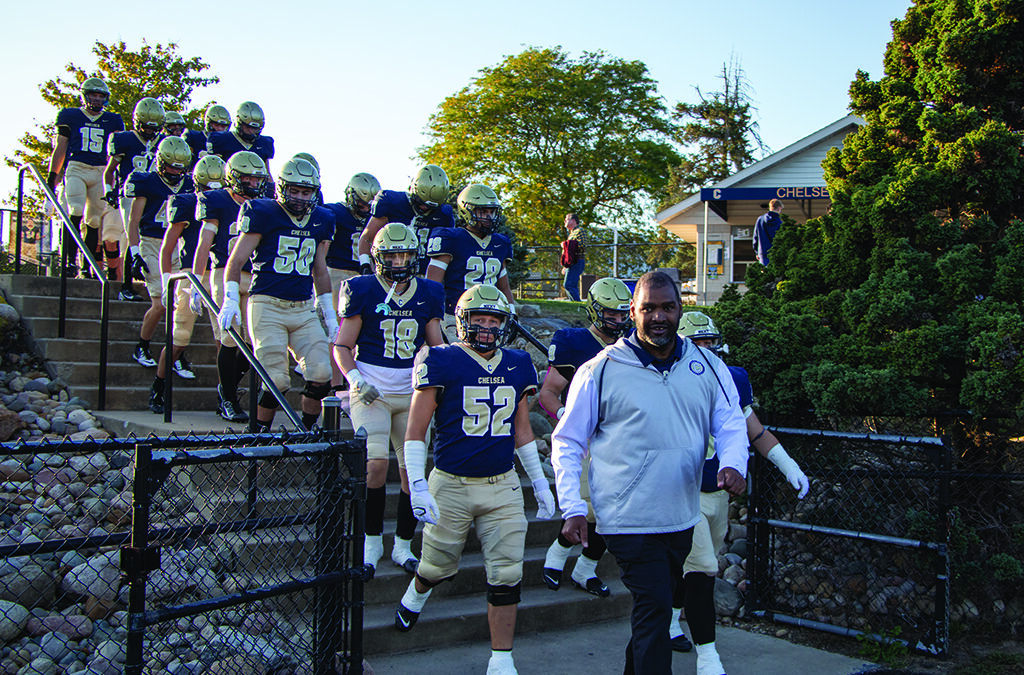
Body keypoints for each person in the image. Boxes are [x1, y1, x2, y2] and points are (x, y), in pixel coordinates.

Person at [551, 270, 748, 675]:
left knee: (651, 614)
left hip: (681, 514)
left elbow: (730, 422)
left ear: (680, 309)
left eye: (667, 307)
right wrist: (572, 505)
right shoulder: (601, 369)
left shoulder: (707, 364)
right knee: (656, 606)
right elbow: (567, 440)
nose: (658, 317)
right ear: (632, 312)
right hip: (626, 518)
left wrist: (733, 463)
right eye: (649, 308)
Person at [395, 284, 555, 675]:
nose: (486, 326)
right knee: (437, 566)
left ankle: (502, 659)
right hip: (451, 482)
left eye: (493, 319)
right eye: (479, 319)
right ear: (462, 321)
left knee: (507, 572)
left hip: (502, 485)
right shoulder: (441, 359)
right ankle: (417, 592)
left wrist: (538, 480)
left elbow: (522, 430)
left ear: (504, 324)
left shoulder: (517, 362)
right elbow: (416, 430)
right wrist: (417, 482)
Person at [668, 311, 810, 672]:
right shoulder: (667, 379)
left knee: (694, 569)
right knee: (702, 569)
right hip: (682, 493)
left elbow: (755, 431)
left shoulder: (731, 379)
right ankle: (708, 655)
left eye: (710, 342)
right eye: (698, 343)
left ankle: (671, 619)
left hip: (718, 494)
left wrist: (787, 464)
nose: (707, 350)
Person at [334, 223, 444, 575]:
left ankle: (402, 545)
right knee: (375, 465)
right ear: (378, 257)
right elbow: (341, 345)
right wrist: (353, 379)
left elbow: (437, 345)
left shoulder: (428, 292)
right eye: (392, 255)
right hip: (372, 391)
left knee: (414, 473)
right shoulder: (362, 288)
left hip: (411, 393)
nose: (399, 261)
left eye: (406, 255)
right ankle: (371, 541)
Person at [218, 157, 335, 432]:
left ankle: (306, 433)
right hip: (267, 304)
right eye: (294, 191)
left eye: (305, 192)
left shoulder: (322, 219)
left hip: (303, 308)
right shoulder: (263, 211)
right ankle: (259, 435)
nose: (299, 197)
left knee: (321, 373)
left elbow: (320, 270)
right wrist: (231, 298)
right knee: (276, 380)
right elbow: (235, 262)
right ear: (282, 188)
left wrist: (328, 313)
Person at [538, 277, 632, 598]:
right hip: (586, 439)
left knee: (614, 514)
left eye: (623, 315)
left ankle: (585, 569)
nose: (618, 321)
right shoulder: (575, 342)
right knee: (587, 510)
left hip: (620, 440)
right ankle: (558, 553)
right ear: (594, 310)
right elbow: (548, 393)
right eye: (612, 314)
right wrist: (570, 421)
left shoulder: (634, 343)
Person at [147, 154, 228, 413]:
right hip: (188, 275)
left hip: (217, 273)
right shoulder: (185, 203)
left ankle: (225, 394)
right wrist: (167, 280)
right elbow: (167, 245)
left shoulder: (230, 203)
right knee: (179, 338)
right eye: (207, 188)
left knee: (224, 341)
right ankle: (158, 387)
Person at [193, 150, 269, 423]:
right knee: (229, 338)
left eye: (256, 178)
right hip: (224, 273)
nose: (252, 183)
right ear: (233, 177)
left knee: (252, 344)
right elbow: (204, 242)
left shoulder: (263, 204)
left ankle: (224, 389)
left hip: (255, 274)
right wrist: (195, 280)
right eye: (247, 177)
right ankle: (227, 397)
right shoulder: (215, 200)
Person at [124, 136, 194, 372]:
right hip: (152, 243)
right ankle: (142, 345)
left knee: (182, 305)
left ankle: (175, 351)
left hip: (178, 245)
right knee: (161, 302)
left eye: (180, 167)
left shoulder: (188, 185)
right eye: (172, 166)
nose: (176, 172)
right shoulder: (147, 181)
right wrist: (134, 253)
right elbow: (133, 221)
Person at [46, 77, 125, 278]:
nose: (97, 99)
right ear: (85, 95)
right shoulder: (70, 115)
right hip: (77, 168)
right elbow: (60, 148)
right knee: (75, 210)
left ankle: (86, 265)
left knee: (94, 221)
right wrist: (52, 179)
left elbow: (117, 153)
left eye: (101, 96)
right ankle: (68, 261)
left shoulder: (113, 120)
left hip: (100, 171)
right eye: (93, 95)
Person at [426, 183, 514, 340]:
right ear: (466, 211)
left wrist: (512, 312)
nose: (489, 217)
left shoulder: (500, 243)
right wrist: (433, 316)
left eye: (492, 212)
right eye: (483, 211)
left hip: (490, 315)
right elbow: (432, 285)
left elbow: (504, 287)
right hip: (456, 315)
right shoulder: (452, 238)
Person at [322, 172, 381, 391]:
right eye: (362, 203)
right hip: (337, 272)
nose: (365, 209)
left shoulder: (377, 216)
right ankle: (336, 384)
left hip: (366, 274)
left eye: (369, 205)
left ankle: (352, 381)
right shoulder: (334, 212)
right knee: (337, 331)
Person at [102, 96, 165, 289]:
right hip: (130, 194)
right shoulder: (125, 139)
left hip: (155, 196)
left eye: (155, 128)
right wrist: (109, 190)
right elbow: (109, 171)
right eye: (147, 127)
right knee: (132, 236)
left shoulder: (164, 142)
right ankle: (126, 286)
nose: (151, 132)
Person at [356, 164, 455, 277]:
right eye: (421, 202)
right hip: (391, 271)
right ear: (413, 189)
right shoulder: (392, 203)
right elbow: (367, 237)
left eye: (431, 207)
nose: (424, 208)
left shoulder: (444, 214)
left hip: (424, 275)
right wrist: (365, 266)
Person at [206, 101, 275, 180]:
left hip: (254, 186)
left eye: (255, 128)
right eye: (248, 127)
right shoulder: (221, 139)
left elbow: (267, 173)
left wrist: (271, 189)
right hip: (228, 185)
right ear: (240, 122)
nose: (251, 131)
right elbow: (213, 169)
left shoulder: (264, 143)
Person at [560, 213, 586, 301]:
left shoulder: (580, 231)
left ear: (573, 220)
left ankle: (577, 302)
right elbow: (568, 252)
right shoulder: (571, 234)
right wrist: (565, 266)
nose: (565, 221)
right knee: (571, 284)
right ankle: (574, 303)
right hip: (570, 262)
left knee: (569, 284)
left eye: (566, 219)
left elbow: (582, 245)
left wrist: (565, 244)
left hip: (577, 261)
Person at [753, 199, 784, 266]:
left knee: (765, 275)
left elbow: (755, 238)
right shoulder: (780, 222)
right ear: (779, 208)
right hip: (776, 255)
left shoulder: (760, 220)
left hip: (763, 254)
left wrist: (757, 252)